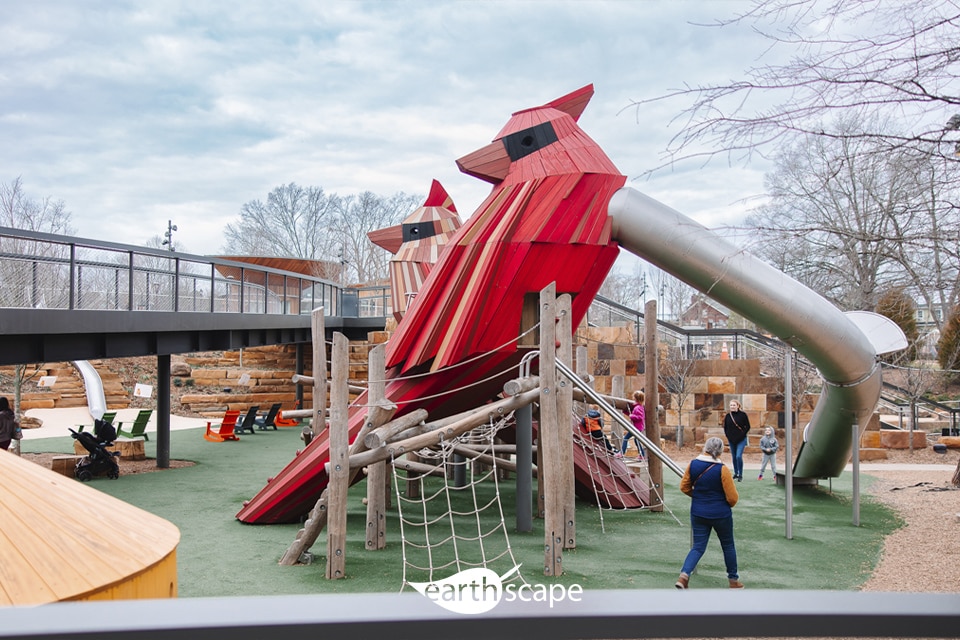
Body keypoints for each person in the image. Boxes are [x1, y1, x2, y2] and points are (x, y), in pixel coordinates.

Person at [675, 436, 743, 589]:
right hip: (721, 514)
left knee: (698, 547)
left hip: (698, 512)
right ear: (720, 451)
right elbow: (732, 498)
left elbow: (684, 487)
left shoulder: (693, 464)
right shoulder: (723, 469)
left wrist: (698, 497)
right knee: (728, 545)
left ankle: (684, 575)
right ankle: (733, 581)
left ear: (705, 448)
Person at [722, 399, 751, 481]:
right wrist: (728, 436)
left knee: (738, 456)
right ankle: (736, 473)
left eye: (734, 405)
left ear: (738, 406)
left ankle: (740, 474)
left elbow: (748, 426)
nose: (732, 407)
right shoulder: (728, 416)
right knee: (734, 457)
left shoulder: (743, 415)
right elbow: (726, 427)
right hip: (732, 440)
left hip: (741, 439)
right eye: (731, 405)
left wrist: (742, 435)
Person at [621, 390, 646, 459]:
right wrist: (626, 412)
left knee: (625, 438)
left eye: (634, 397)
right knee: (636, 440)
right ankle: (642, 455)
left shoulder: (638, 408)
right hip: (637, 427)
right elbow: (633, 414)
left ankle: (622, 452)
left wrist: (632, 416)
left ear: (636, 398)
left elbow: (640, 417)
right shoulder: (638, 407)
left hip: (636, 428)